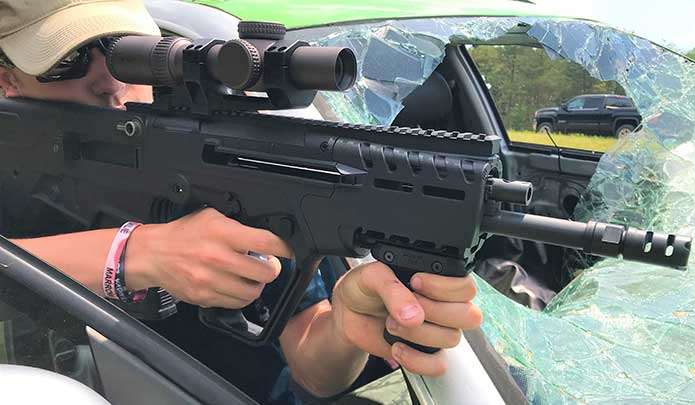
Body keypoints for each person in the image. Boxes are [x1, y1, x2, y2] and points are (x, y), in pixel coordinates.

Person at [0, 0, 483, 403]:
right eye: (69, 59)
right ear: (8, 82)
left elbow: (315, 371)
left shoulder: (238, 164)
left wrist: (344, 325)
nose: (108, 80)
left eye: (119, 50)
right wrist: (135, 254)